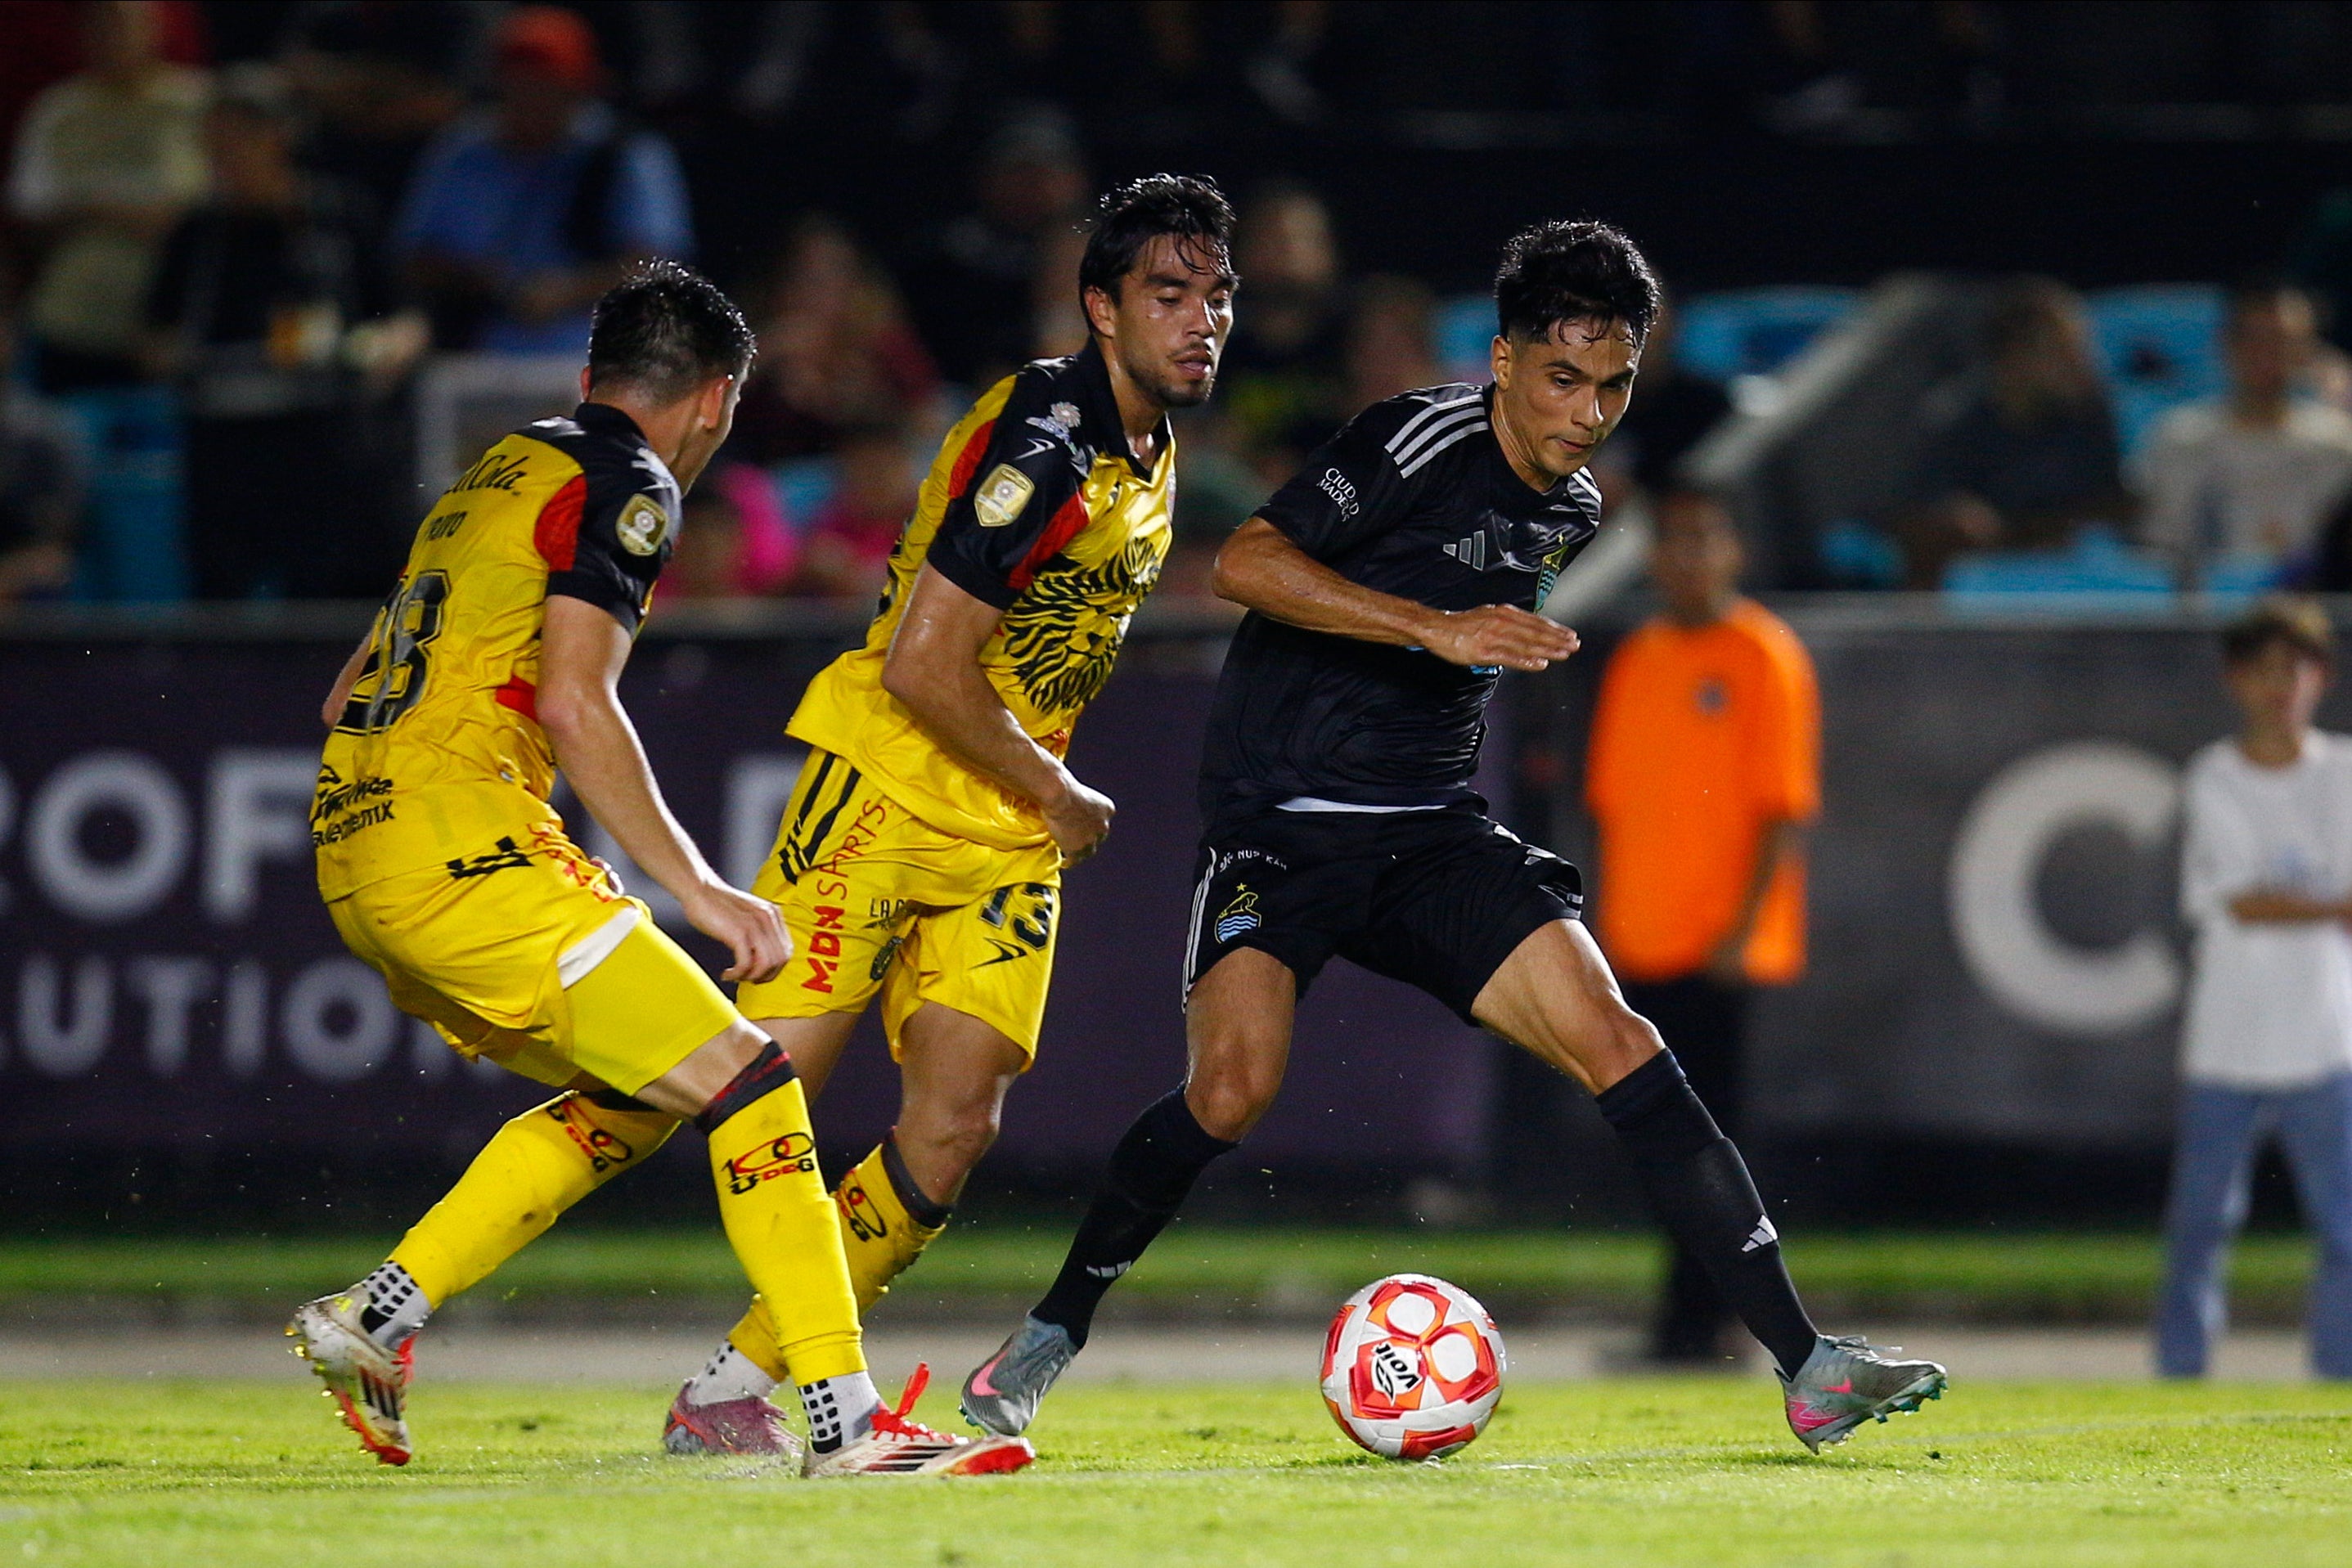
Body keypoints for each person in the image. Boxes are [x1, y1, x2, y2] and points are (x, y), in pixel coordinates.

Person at [959, 219, 1946, 1453]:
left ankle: (1807, 1364)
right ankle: (1046, 1337)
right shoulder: (1415, 438)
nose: (1586, 414)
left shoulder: (1573, 505)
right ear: (1502, 360)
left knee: (1621, 1042)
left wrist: (1453, 653)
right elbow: (1247, 564)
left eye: (1611, 385)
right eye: (1561, 378)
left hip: (1429, 835)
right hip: (1281, 827)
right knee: (1229, 1090)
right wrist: (1432, 626)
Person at [286, 260, 1029, 1480]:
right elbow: (579, 705)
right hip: (463, 845)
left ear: (592, 376)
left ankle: (375, 1314)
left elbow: (343, 694)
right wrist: (701, 889)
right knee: (754, 1080)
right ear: (718, 399)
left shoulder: (496, 472)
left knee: (639, 1098)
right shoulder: (627, 481)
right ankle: (842, 1421)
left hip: (358, 846)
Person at [641, 175, 1235, 1453]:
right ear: (1100, 307)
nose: (1202, 320)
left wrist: (1033, 795)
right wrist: (1057, 789)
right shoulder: (1048, 440)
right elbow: (922, 662)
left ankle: (739, 1387)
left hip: (1002, 830)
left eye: (1216, 296)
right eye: (1168, 294)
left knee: (955, 1125)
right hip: (888, 786)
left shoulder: (1153, 447)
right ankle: (420, 1277)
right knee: (749, 1091)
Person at [1585, 487, 1821, 1365]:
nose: (1687, 556)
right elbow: (1613, 806)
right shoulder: (1639, 657)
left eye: (1703, 538)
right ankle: (1682, 1323)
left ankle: (1715, 1323)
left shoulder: (1762, 653)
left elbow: (1782, 809)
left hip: (1718, 950)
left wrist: (1742, 931)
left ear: (1735, 552)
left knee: (1710, 1146)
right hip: (1643, 943)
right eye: (1673, 540)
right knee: (1663, 1148)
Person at [2158, 595, 2352, 1382]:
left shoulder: (2342, 771)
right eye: (2265, 670)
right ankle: (2179, 1375)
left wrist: (2305, 902)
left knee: (2345, 1229)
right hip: (2228, 1039)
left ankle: (2338, 1376)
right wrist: (2329, 904)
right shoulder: (2215, 775)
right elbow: (2239, 899)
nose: (2282, 687)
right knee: (2199, 1226)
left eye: (2296, 669)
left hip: (2325, 1036)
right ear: (2236, 680)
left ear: (2321, 678)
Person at [145, 65, 424, 600]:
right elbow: (153, 336)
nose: (222, 156)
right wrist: (174, 358)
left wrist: (384, 349)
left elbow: (404, 317)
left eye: (236, 139)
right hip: (226, 442)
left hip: (326, 435)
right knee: (220, 586)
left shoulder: (340, 215)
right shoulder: (197, 234)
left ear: (277, 137)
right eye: (213, 143)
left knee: (333, 581)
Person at [393, 4, 694, 356]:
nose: (532, 100)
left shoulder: (624, 153)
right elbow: (413, 260)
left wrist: (566, 292)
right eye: (519, 86)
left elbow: (658, 265)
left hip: (599, 350)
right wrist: (488, 283)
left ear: (580, 89)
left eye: (547, 87)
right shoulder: (464, 152)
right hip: (478, 348)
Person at [5, 0, 208, 396]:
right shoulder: (57, 110)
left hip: (175, 329)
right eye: (98, 27)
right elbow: (28, 217)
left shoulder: (196, 104)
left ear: (155, 29)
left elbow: (209, 213)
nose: (111, 39)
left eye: (122, 26)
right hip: (71, 324)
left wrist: (92, 209)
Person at [1894, 277, 2127, 590]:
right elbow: (1920, 510)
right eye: (2062, 350)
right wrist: (1962, 519)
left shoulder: (2088, 414)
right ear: (2015, 356)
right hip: (1979, 569)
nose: (2080, 363)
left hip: (2069, 575)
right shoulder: (1953, 418)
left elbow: (2109, 506)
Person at [2138, 284, 2352, 587]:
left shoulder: (2341, 446)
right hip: (2205, 608)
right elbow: (2158, 551)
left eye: (2281, 341)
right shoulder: (2179, 440)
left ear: (2306, 350)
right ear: (2226, 343)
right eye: (2253, 339)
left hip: (2316, 606)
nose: (2267, 354)